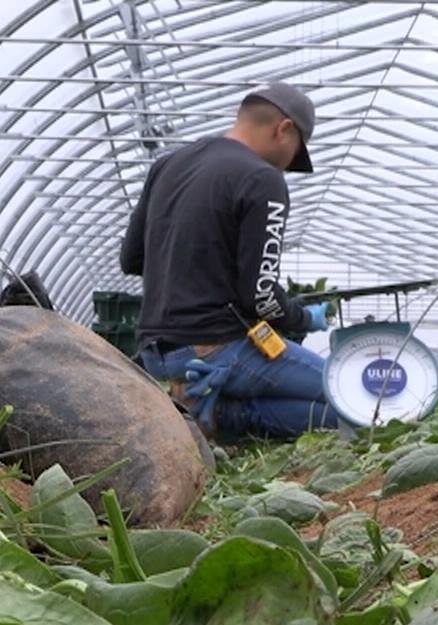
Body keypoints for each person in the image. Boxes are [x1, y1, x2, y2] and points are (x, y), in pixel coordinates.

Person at [119, 83, 342, 440]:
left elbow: (131, 259)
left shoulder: (167, 166)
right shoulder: (262, 179)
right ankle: (223, 418)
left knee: (335, 399)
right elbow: (261, 296)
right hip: (217, 348)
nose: (287, 167)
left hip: (157, 353)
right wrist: (304, 317)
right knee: (356, 400)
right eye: (295, 153)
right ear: (283, 129)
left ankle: (196, 400)